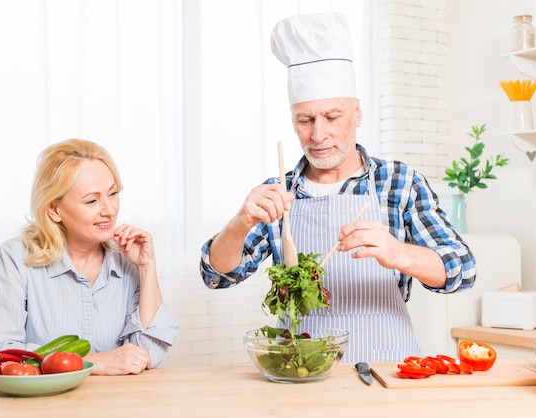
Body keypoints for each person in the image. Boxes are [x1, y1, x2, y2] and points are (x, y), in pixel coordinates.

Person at [199, 12, 476, 362]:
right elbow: (217, 276)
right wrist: (240, 223)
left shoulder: (399, 182)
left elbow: (463, 269)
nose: (318, 135)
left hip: (385, 365)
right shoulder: (276, 192)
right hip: (302, 365)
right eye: (305, 120)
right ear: (293, 120)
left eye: (332, 117)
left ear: (357, 113)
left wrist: (398, 253)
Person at [0, 139, 178, 375]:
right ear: (54, 210)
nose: (109, 209)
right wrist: (95, 362)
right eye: (92, 200)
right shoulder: (15, 258)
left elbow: (147, 353)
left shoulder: (128, 260)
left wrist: (146, 267)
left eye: (113, 193)